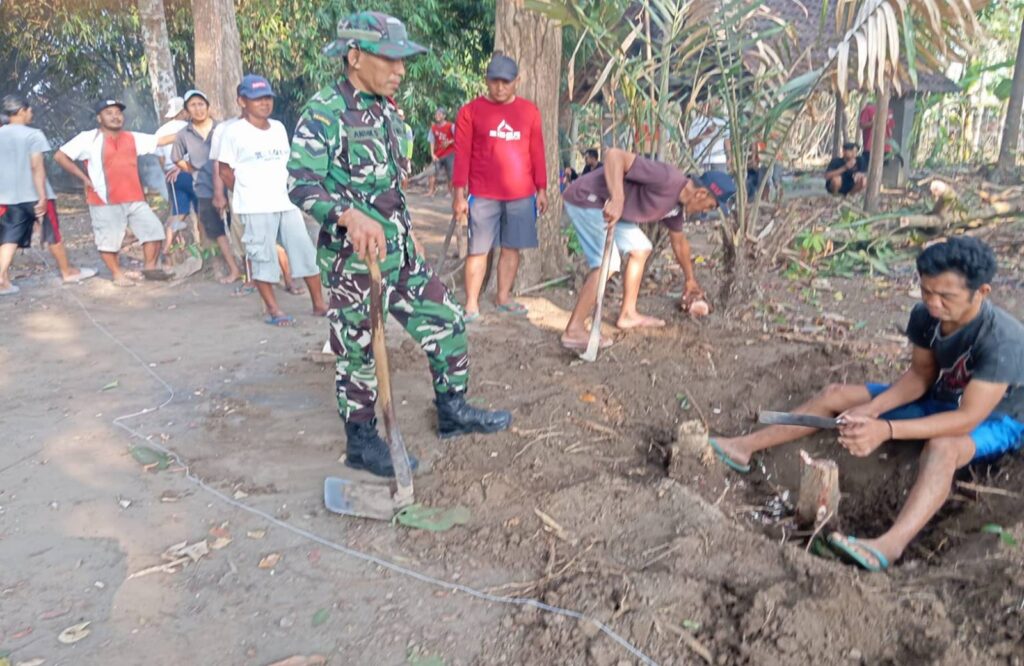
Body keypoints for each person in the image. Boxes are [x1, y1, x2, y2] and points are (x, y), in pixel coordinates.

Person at [287, 11, 513, 477]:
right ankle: (363, 441)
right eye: (389, 59)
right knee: (360, 351)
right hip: (355, 264)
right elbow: (300, 184)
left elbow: (391, 185)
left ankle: (452, 411)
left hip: (399, 254)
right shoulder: (325, 112)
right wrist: (348, 216)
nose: (400, 71)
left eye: (402, 61)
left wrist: (404, 229)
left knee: (448, 320)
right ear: (354, 57)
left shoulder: (390, 113)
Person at [711, 237, 1024, 572]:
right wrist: (872, 410)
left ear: (982, 292)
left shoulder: (1003, 340)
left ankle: (891, 545)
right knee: (835, 395)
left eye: (946, 296)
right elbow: (919, 376)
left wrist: (885, 429)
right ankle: (744, 447)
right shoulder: (925, 315)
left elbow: (966, 419)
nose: (933, 302)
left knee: (944, 446)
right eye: (926, 291)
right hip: (940, 397)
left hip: (997, 419)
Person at [560, 148, 735, 349]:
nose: (707, 212)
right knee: (607, 264)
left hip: (608, 212)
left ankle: (627, 314)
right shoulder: (667, 178)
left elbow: (679, 243)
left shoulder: (676, 207)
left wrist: (690, 280)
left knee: (641, 247)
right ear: (701, 193)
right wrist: (617, 199)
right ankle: (573, 330)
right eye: (711, 206)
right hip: (587, 199)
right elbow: (614, 155)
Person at [217, 74, 327, 327]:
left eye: (267, 98)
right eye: (257, 99)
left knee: (306, 253)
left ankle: (319, 304)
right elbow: (224, 171)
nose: (264, 103)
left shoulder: (278, 128)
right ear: (242, 101)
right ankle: (273, 310)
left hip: (286, 203)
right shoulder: (233, 132)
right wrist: (246, 190)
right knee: (262, 258)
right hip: (256, 207)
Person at [452, 53, 548, 321]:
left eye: (506, 82)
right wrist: (459, 195)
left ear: (518, 81)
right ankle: (471, 304)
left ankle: (503, 296)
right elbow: (461, 156)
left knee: (511, 248)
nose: (500, 87)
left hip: (521, 195)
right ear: (486, 80)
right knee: (478, 249)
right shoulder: (470, 112)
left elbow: (537, 151)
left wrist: (542, 188)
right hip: (482, 195)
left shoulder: (530, 112)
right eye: (494, 81)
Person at [54, 98, 175, 286]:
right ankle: (117, 275)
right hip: (104, 199)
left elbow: (160, 140)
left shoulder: (132, 138)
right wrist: (84, 179)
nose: (115, 116)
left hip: (135, 197)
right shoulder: (89, 138)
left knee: (154, 232)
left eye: (118, 113)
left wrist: (193, 130)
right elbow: (60, 156)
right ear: (99, 118)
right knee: (108, 242)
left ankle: (150, 269)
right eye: (109, 113)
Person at [0, 94, 96, 294]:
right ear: (20, 111)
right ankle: (67, 272)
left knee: (9, 237)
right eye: (29, 110)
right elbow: (37, 167)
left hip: (7, 197)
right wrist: (42, 196)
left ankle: (2, 281)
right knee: (52, 233)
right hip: (34, 194)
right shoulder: (33, 135)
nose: (31, 113)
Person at [172, 89, 242, 285]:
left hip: (230, 185)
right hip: (203, 188)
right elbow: (176, 158)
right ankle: (234, 269)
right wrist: (193, 169)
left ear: (208, 107)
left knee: (239, 227)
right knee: (217, 232)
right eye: (193, 105)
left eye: (201, 104)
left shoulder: (223, 128)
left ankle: (250, 269)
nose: (198, 109)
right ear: (186, 111)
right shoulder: (183, 135)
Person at [155, 96, 193, 256]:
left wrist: (167, 172)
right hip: (190, 172)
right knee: (201, 212)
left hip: (172, 176)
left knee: (178, 212)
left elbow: (161, 160)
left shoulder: (160, 132)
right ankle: (167, 248)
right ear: (183, 111)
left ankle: (166, 248)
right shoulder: (190, 127)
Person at [687, 100, 729, 171]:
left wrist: (729, 156)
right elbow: (691, 143)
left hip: (719, 160)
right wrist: (706, 133)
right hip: (702, 161)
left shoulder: (723, 122)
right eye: (713, 104)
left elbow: (726, 140)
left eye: (717, 105)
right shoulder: (697, 122)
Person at [427, 107, 455, 197]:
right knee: (432, 172)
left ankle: (450, 192)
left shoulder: (451, 126)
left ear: (444, 116)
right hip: (438, 153)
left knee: (450, 173)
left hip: (450, 153)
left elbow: (459, 137)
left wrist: (449, 142)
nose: (437, 116)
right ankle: (431, 191)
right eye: (436, 114)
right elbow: (431, 141)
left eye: (439, 114)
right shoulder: (433, 128)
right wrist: (432, 154)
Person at [859, 100, 895, 166]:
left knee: (884, 169)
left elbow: (891, 126)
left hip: (886, 146)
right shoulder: (868, 109)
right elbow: (862, 125)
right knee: (868, 168)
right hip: (870, 146)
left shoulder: (889, 111)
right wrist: (875, 122)